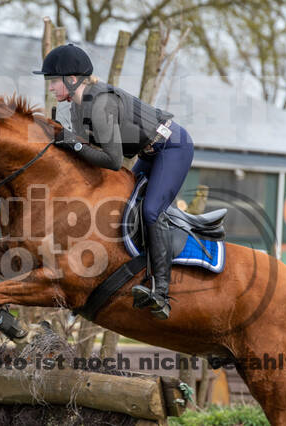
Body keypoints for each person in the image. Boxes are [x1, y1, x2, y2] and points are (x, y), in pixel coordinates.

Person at [34, 44, 193, 320]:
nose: (50, 88)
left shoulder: (101, 104)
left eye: (53, 81)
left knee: (151, 210)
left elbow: (112, 160)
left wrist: (69, 141)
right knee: (120, 206)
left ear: (72, 80)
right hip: (150, 152)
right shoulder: (75, 109)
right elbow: (84, 153)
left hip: (172, 148)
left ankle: (162, 292)